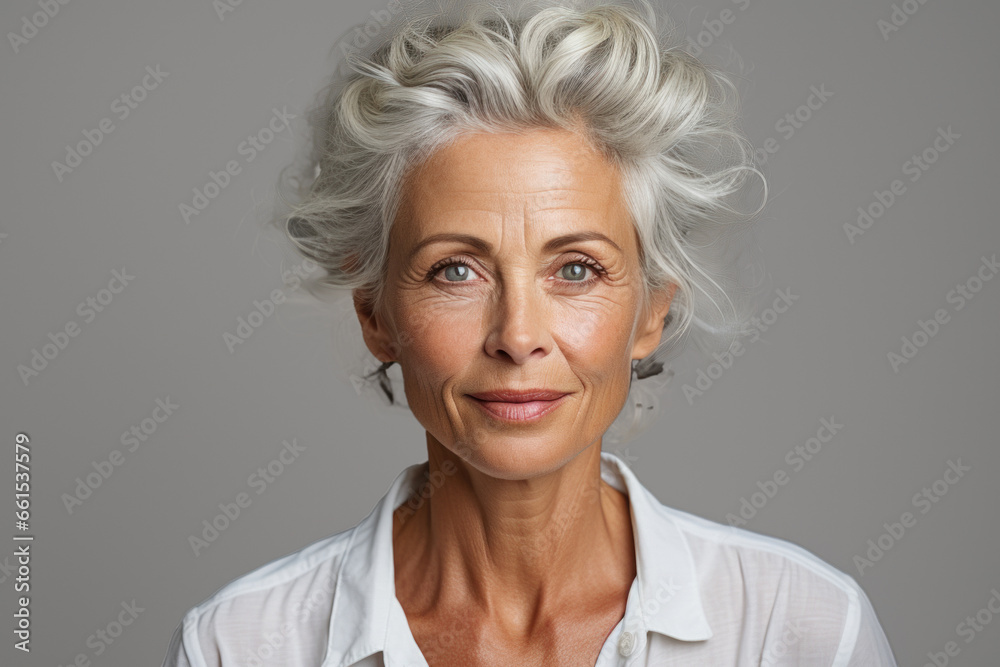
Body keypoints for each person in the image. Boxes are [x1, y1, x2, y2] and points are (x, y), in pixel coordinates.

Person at [162, 0, 898, 664]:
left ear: (651, 313)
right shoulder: (241, 644)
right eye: (456, 270)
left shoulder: (800, 631)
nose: (518, 336)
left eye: (575, 269)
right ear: (376, 315)